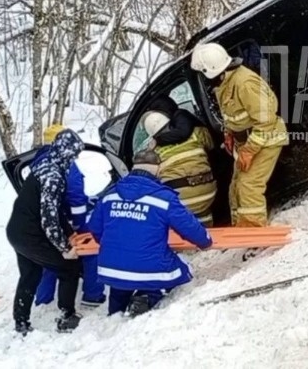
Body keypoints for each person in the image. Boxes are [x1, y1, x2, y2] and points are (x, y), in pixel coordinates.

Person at [87, 142, 213, 317]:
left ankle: (115, 312)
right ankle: (147, 296)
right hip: (149, 266)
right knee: (183, 270)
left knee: (121, 285)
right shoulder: (163, 198)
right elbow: (189, 227)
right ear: (157, 169)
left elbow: (94, 228)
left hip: (111, 268)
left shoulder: (110, 195)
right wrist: (205, 242)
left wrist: (114, 246)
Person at [189, 42, 288, 227]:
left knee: (248, 186)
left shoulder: (244, 83)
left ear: (211, 69)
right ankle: (241, 230)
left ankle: (255, 235)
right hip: (247, 141)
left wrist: (249, 150)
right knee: (235, 187)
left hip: (266, 138)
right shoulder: (225, 83)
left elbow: (266, 120)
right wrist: (229, 133)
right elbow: (234, 115)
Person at [5, 129, 85, 335]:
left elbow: (53, 210)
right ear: (67, 153)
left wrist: (68, 231)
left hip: (17, 231)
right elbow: (49, 220)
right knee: (69, 267)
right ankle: (67, 315)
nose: (75, 159)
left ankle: (21, 322)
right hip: (31, 236)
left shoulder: (44, 164)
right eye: (74, 155)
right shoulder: (54, 177)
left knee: (29, 275)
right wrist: (66, 247)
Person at [33, 125, 106, 308]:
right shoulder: (67, 165)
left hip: (45, 220)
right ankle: (93, 295)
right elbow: (75, 197)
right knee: (91, 251)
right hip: (68, 221)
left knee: (50, 258)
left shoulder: (39, 161)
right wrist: (80, 227)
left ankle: (43, 299)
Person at [138, 97, 218, 226]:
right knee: (204, 214)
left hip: (181, 198)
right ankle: (210, 233)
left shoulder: (154, 150)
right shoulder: (195, 133)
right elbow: (211, 144)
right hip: (209, 192)